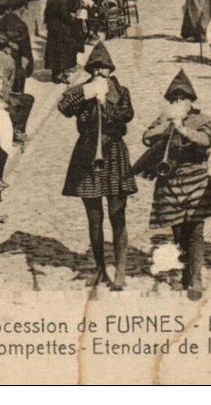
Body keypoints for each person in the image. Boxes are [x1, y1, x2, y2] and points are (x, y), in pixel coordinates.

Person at [57, 43, 136, 290]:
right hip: (88, 154)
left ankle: (120, 270)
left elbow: (126, 117)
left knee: (117, 214)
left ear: (111, 70)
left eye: (104, 68)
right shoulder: (84, 90)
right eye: (96, 68)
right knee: (94, 218)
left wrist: (105, 104)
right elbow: (64, 107)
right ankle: (100, 268)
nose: (100, 72)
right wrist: (88, 94)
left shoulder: (121, 91)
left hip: (113, 153)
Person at [141, 70, 211, 300]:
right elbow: (146, 137)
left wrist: (183, 128)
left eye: (181, 99)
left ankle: (195, 278)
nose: (177, 103)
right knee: (178, 231)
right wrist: (168, 125)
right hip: (171, 182)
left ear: (190, 101)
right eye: (173, 99)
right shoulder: (164, 118)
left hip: (195, 179)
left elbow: (205, 140)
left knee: (195, 231)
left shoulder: (201, 119)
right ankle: (184, 272)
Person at [43, 0, 80, 83]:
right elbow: (64, 15)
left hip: (53, 29)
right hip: (61, 29)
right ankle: (60, 74)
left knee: (55, 51)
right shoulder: (59, 1)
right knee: (62, 52)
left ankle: (56, 74)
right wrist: (72, 18)